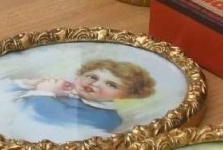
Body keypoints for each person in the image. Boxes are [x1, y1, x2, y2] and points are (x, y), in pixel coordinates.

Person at [8, 58, 156, 135]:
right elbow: (1, 95)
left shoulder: (107, 117)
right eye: (92, 76)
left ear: (125, 96)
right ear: (78, 76)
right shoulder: (65, 89)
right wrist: (29, 84)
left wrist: (45, 92)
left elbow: (43, 119)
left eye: (111, 84)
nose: (95, 84)